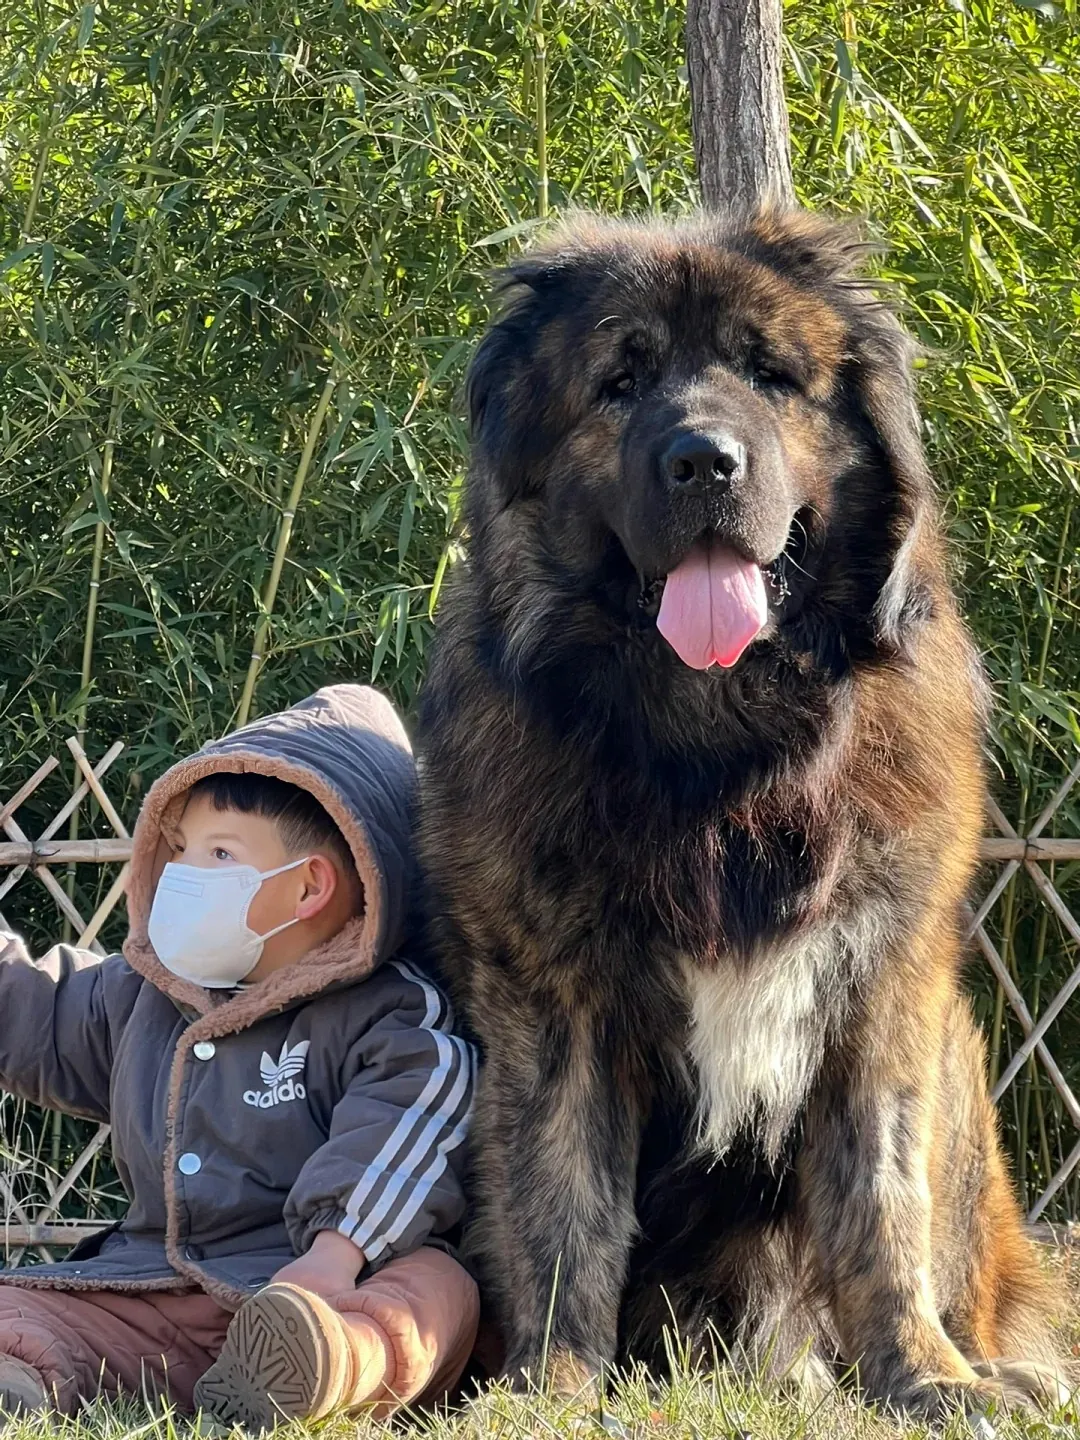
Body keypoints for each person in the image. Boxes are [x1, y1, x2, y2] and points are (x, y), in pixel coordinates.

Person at [0, 685, 478, 1430]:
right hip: (151, 1291)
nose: (183, 872)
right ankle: (22, 1376)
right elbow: (40, 1014)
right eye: (180, 849)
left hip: (329, 1290)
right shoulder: (144, 995)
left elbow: (405, 1131)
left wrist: (331, 1259)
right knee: (27, 1305)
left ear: (310, 885)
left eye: (219, 853)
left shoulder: (392, 1013)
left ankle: (329, 1368)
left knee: (437, 1289)